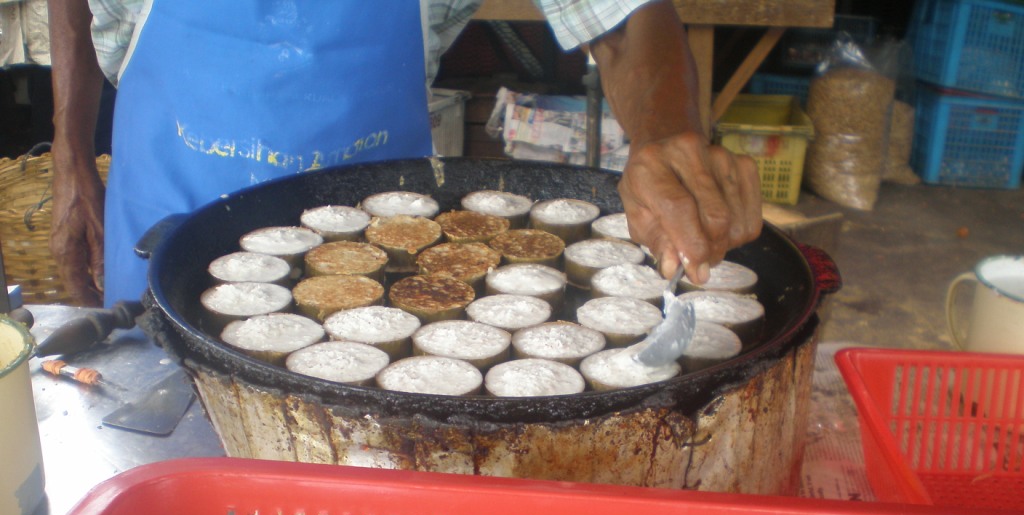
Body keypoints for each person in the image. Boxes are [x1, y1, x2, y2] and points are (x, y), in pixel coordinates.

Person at [48, 0, 762, 308]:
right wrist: (69, 151)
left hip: (383, 246)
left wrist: (665, 136)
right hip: (168, 217)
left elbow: (623, 17)